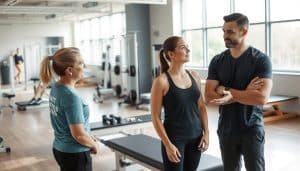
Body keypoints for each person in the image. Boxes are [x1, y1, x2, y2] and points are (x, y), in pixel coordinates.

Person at [205, 13, 273, 171]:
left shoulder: (260, 60)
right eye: (223, 31)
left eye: (230, 32)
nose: (224, 36)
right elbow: (209, 96)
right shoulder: (217, 61)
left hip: (252, 129)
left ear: (244, 31)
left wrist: (226, 90)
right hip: (226, 129)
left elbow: (261, 98)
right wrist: (245, 93)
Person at [151, 36, 209, 171]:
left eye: (188, 46)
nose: (188, 50)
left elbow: (201, 107)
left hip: (196, 137)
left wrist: (206, 133)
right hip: (175, 139)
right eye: (183, 47)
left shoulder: (194, 76)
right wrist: (167, 144)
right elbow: (155, 117)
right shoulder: (161, 81)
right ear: (171, 54)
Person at [40, 47, 98, 171]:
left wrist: (88, 138)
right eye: (81, 63)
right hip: (75, 153)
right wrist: (93, 144)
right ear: (69, 70)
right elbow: (79, 135)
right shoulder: (71, 97)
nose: (85, 66)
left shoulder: (56, 88)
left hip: (60, 149)